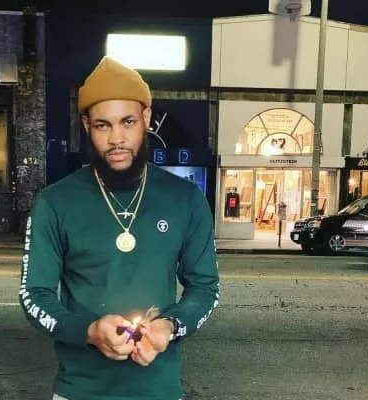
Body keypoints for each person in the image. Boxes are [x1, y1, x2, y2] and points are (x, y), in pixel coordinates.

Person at [19, 56, 220, 400]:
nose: (116, 138)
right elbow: (34, 294)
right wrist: (88, 331)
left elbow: (205, 287)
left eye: (127, 122)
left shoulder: (185, 199)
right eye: (103, 125)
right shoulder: (55, 202)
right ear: (87, 125)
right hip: (79, 391)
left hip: (158, 390)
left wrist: (170, 327)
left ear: (146, 118)